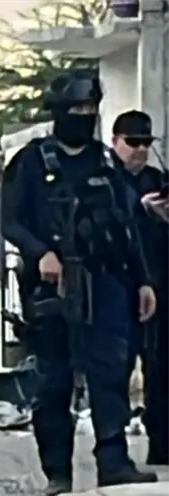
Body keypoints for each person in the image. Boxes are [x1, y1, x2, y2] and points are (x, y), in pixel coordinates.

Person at [2, 72, 161, 496]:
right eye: (77, 110)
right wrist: (41, 252)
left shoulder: (106, 163)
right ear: (59, 113)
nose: (85, 117)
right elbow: (10, 221)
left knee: (110, 373)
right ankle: (58, 473)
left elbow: (127, 225)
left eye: (91, 110)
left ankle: (114, 463)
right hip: (53, 285)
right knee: (54, 380)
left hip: (107, 281)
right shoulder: (32, 161)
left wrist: (144, 281)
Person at [111, 109, 169, 466]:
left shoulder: (156, 180)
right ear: (116, 141)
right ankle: (114, 453)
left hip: (159, 287)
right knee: (115, 370)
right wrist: (138, 208)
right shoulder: (105, 178)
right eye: (133, 142)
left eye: (146, 143)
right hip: (117, 287)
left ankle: (162, 444)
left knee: (160, 367)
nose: (140, 150)